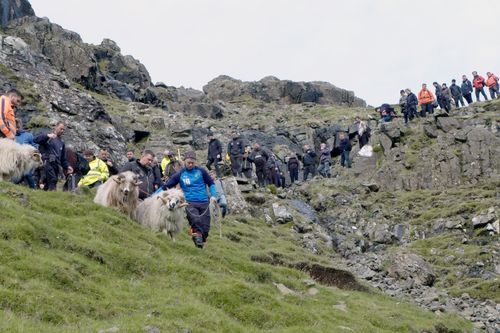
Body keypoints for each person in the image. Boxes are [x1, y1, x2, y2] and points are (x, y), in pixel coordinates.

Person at [162, 151, 218, 249]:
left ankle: (201, 243)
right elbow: (167, 186)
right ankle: (197, 240)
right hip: (189, 202)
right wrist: (154, 194)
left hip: (204, 202)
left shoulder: (202, 171)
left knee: (205, 227)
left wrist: (213, 195)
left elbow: (211, 183)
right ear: (184, 162)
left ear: (195, 162)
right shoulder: (180, 174)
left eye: (192, 162)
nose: (190, 164)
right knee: (195, 220)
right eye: (188, 162)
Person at [34, 121, 73, 191]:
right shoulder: (47, 135)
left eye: (63, 130)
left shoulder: (62, 142)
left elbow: (63, 159)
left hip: (56, 165)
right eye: (61, 128)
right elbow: (36, 139)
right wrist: (47, 136)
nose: (62, 131)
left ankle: (47, 197)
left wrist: (67, 166)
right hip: (46, 162)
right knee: (52, 180)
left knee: (50, 184)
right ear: (56, 126)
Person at [13, 118, 37, 188]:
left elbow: (35, 147)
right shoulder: (11, 136)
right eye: (15, 127)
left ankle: (34, 189)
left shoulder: (28, 135)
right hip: (15, 162)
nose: (16, 129)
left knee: (28, 174)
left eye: (17, 127)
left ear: (20, 126)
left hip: (26, 162)